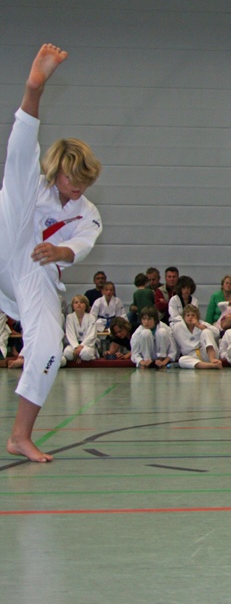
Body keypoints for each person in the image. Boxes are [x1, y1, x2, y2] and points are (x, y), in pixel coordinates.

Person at [2, 44, 103, 463]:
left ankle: (20, 436)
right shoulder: (35, 185)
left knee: (47, 350)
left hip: (36, 270)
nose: (77, 188)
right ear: (58, 169)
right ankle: (34, 88)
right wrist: (34, 89)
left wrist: (59, 249)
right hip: (8, 237)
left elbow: (80, 247)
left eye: (84, 183)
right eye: (71, 179)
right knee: (18, 168)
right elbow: (23, 152)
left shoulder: (88, 213)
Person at [172, 304, 222, 369]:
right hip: (192, 355)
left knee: (206, 331)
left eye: (193, 315)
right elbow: (175, 343)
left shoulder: (201, 323)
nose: (190, 317)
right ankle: (212, 365)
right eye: (188, 315)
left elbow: (217, 333)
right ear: (184, 317)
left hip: (206, 352)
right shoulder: (177, 327)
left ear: (197, 317)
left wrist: (200, 326)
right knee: (182, 360)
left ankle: (212, 360)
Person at [63, 294, 98, 365]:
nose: (79, 304)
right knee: (67, 353)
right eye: (76, 302)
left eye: (81, 302)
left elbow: (91, 335)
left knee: (85, 353)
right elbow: (70, 334)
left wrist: (81, 347)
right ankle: (79, 355)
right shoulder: (70, 317)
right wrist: (76, 347)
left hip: (87, 345)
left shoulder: (91, 317)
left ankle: (87, 355)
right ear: (73, 306)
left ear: (86, 305)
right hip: (73, 345)